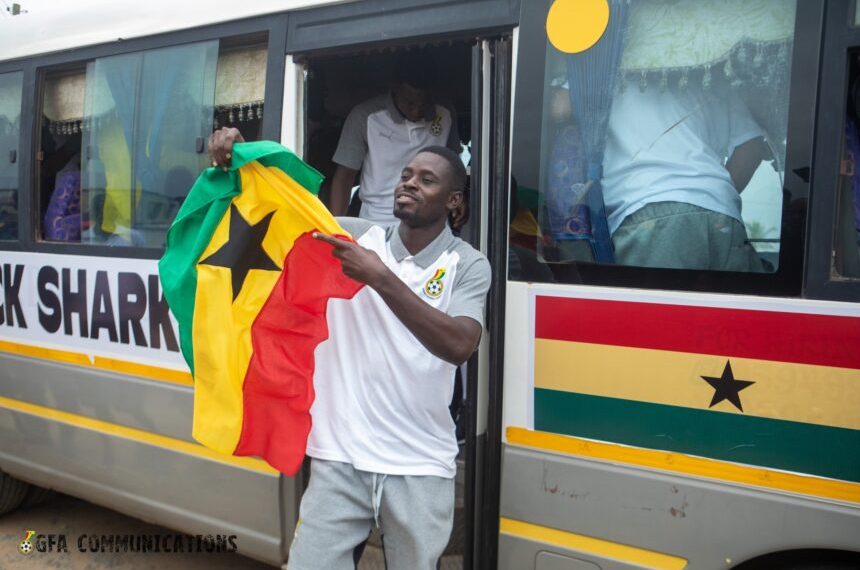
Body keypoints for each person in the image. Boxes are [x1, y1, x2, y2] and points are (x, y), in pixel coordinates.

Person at [208, 134, 491, 570]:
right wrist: (240, 159)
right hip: (340, 457)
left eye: (426, 180)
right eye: (405, 176)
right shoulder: (355, 237)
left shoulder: (467, 264)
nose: (408, 184)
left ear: (454, 201)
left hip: (419, 464)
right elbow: (280, 210)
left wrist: (380, 278)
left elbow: (459, 345)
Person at [600, 79, 772, 271]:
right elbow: (752, 147)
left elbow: (561, 107)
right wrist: (709, 197)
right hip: (721, 215)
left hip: (650, 211)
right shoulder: (711, 74)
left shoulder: (604, 68)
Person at [328, 51, 463, 225]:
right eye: (410, 102)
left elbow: (453, 166)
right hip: (377, 222)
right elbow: (345, 177)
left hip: (430, 224)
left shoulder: (445, 113)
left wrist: (461, 195)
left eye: (423, 103)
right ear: (394, 88)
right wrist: (333, 228)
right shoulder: (365, 116)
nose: (416, 110)